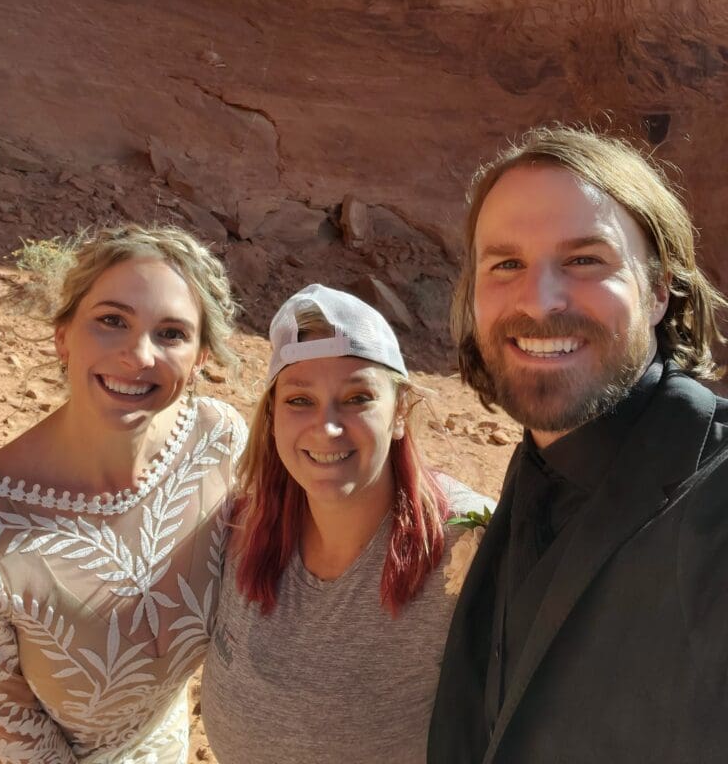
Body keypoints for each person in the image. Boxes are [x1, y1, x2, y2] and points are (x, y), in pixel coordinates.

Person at [428, 125, 728, 764]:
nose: (539, 302)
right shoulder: (538, 462)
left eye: (585, 259)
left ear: (655, 291)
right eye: (506, 264)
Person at [0, 224, 247, 764]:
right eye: (111, 321)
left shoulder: (220, 442)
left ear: (202, 356)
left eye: (171, 334)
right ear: (62, 335)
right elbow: (14, 738)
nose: (138, 356)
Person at [200, 283, 494, 764]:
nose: (328, 427)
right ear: (273, 415)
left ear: (400, 411)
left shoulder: (465, 545)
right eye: (300, 400)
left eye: (358, 398)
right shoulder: (242, 523)